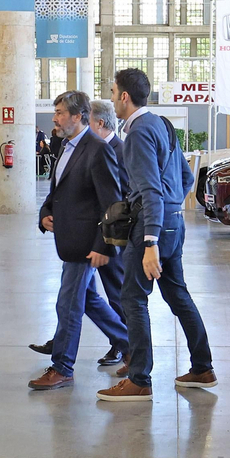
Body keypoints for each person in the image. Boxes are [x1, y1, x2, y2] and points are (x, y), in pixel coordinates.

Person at [97, 69, 216, 402]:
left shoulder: (136, 133)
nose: (111, 97)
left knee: (133, 299)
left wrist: (150, 242)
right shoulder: (163, 125)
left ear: (124, 96)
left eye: (113, 91)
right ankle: (202, 367)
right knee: (177, 296)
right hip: (174, 223)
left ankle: (139, 379)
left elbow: (149, 190)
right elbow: (187, 175)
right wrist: (173, 209)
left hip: (152, 228)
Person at [29, 92, 129, 390]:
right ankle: (131, 345)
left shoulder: (97, 150)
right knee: (89, 301)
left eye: (59, 112)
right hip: (70, 241)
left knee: (68, 304)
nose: (55, 118)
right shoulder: (64, 146)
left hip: (88, 243)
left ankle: (62, 366)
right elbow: (56, 191)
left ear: (78, 116)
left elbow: (112, 203)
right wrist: (45, 213)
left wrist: (103, 246)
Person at [87, 99, 127, 325]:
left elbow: (122, 196)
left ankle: (123, 343)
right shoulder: (94, 150)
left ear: (100, 123)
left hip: (111, 234)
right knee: (79, 292)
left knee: (116, 292)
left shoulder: (119, 151)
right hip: (91, 233)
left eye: (87, 120)